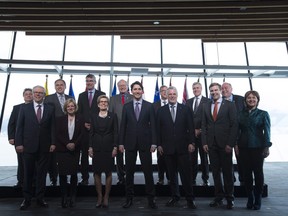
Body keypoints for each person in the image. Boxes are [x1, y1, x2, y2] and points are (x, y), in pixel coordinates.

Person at [15, 85, 55, 210]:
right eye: (36, 92)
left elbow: (52, 127)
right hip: (28, 146)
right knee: (27, 174)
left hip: (45, 147)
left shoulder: (50, 108)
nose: (38, 94)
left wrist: (53, 143)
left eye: (40, 93)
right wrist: (19, 143)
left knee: (42, 174)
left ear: (44, 95)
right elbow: (19, 127)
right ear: (32, 94)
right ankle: (26, 199)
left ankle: (40, 198)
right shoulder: (24, 108)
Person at [157, 86, 197, 209]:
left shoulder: (185, 109)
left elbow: (191, 127)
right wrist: (159, 144)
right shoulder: (161, 110)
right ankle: (175, 197)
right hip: (167, 148)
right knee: (172, 175)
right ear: (166, 96)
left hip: (183, 147)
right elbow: (158, 130)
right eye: (170, 94)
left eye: (174, 94)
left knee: (186, 175)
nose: (172, 96)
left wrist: (192, 142)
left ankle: (190, 198)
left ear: (177, 95)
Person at [119, 81, 157, 209]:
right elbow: (123, 126)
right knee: (129, 173)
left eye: (139, 89)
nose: (137, 91)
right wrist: (121, 143)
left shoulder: (149, 106)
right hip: (129, 143)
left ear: (142, 91)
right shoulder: (126, 106)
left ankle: (151, 199)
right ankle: (129, 199)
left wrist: (154, 143)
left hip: (146, 143)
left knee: (148, 172)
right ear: (131, 91)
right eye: (134, 89)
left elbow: (153, 126)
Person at [201, 82, 238, 210]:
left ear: (220, 91)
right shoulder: (206, 106)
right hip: (211, 144)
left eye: (216, 90)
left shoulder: (230, 105)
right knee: (215, 172)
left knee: (228, 172)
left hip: (225, 144)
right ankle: (218, 197)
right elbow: (204, 126)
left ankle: (230, 198)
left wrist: (230, 144)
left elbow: (234, 125)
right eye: (211, 91)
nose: (214, 92)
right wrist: (204, 142)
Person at [235, 90, 272, 210]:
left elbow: (267, 131)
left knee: (258, 173)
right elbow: (237, 131)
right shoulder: (240, 114)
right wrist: (236, 145)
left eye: (254, 98)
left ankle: (258, 198)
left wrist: (266, 146)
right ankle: (250, 197)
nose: (251, 99)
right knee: (246, 174)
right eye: (249, 98)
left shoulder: (263, 114)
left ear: (257, 100)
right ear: (245, 100)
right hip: (243, 147)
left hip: (258, 147)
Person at [89, 95, 118, 208]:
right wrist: (90, 147)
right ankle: (99, 196)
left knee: (108, 172)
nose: (103, 103)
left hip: (109, 148)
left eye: (105, 102)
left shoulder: (113, 116)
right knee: (96, 173)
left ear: (108, 104)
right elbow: (91, 133)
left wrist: (115, 147)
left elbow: (116, 132)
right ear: (98, 104)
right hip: (96, 148)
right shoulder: (93, 116)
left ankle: (106, 197)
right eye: (101, 102)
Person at [55, 98, 84, 208]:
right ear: (65, 108)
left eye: (72, 106)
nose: (70, 108)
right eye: (68, 106)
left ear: (75, 107)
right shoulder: (59, 119)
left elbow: (82, 134)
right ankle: (64, 197)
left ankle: (72, 197)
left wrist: (74, 144)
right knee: (62, 175)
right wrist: (67, 143)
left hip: (75, 150)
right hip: (62, 150)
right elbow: (57, 134)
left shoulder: (80, 119)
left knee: (73, 174)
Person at [77, 74, 105, 185]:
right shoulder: (81, 95)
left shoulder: (101, 94)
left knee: (97, 155)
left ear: (95, 82)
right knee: (84, 155)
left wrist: (94, 124)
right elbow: (79, 112)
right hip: (84, 130)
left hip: (97, 129)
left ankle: (97, 178)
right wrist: (84, 123)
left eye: (91, 80)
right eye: (87, 81)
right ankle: (85, 178)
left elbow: (103, 110)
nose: (89, 82)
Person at [45, 79, 72, 186]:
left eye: (61, 85)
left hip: (68, 131)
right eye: (57, 85)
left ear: (65, 86)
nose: (59, 87)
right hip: (53, 132)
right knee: (53, 157)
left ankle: (66, 178)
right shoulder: (48, 98)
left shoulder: (70, 98)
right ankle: (53, 178)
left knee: (66, 156)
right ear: (54, 87)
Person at [109, 79, 133, 185]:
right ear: (118, 87)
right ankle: (120, 177)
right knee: (119, 157)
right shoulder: (113, 99)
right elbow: (111, 115)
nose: (122, 87)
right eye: (120, 85)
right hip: (117, 132)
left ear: (127, 86)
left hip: (131, 131)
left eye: (124, 85)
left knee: (130, 155)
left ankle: (129, 176)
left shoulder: (133, 98)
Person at [8, 88, 33, 188]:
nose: (28, 96)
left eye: (30, 94)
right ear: (23, 96)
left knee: (33, 162)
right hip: (19, 140)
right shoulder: (17, 108)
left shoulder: (36, 108)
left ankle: (33, 181)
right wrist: (11, 137)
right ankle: (21, 181)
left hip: (32, 140)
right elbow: (11, 124)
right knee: (21, 161)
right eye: (26, 94)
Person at [186, 82, 210, 186]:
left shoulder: (208, 101)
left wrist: (200, 129)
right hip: (191, 135)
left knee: (204, 158)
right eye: (194, 88)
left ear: (201, 89)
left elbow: (209, 119)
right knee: (192, 158)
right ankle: (192, 178)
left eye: (197, 88)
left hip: (203, 135)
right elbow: (186, 119)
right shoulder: (188, 101)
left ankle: (205, 178)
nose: (196, 89)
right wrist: (192, 131)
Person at [221, 82, 245, 186]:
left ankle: (243, 179)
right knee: (226, 161)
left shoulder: (240, 100)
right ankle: (231, 179)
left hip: (240, 135)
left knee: (241, 159)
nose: (224, 90)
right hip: (224, 136)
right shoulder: (218, 101)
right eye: (222, 88)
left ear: (231, 89)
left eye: (226, 88)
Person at [152, 85, 170, 185]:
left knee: (170, 159)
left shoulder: (173, 104)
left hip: (171, 137)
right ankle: (161, 178)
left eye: (166, 91)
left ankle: (170, 177)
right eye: (162, 91)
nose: (164, 92)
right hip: (159, 136)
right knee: (160, 159)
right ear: (160, 93)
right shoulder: (154, 105)